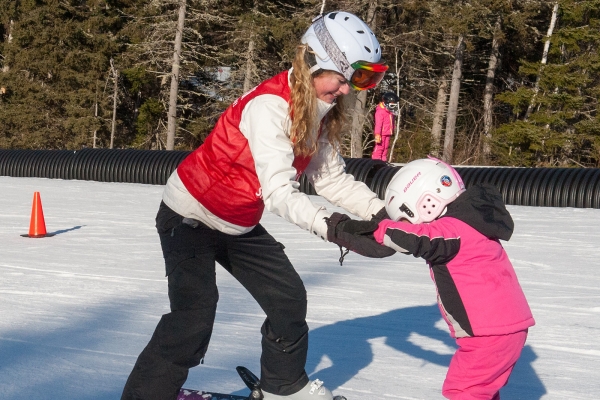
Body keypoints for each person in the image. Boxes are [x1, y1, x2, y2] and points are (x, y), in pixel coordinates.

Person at [120, 11, 394, 400]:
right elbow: (279, 193)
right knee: (194, 314)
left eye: (357, 82)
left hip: (237, 223)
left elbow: (330, 178)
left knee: (287, 297)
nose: (347, 91)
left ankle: (284, 386)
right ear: (313, 63)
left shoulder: (318, 112)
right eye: (343, 78)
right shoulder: (270, 107)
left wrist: (382, 215)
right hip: (189, 214)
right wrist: (336, 228)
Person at [327, 157, 535, 399]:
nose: (411, 224)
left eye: (408, 218)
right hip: (507, 329)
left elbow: (421, 239)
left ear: (427, 202)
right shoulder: (473, 222)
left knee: (463, 391)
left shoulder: (453, 230)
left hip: (489, 334)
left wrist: (375, 229)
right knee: (481, 390)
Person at [371, 92, 399, 162]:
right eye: (392, 105)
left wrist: (392, 129)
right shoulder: (380, 112)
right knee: (380, 147)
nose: (393, 107)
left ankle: (383, 161)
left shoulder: (390, 112)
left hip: (388, 132)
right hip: (381, 133)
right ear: (386, 103)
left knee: (386, 148)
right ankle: (376, 161)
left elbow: (391, 122)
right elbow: (378, 124)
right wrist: (377, 134)